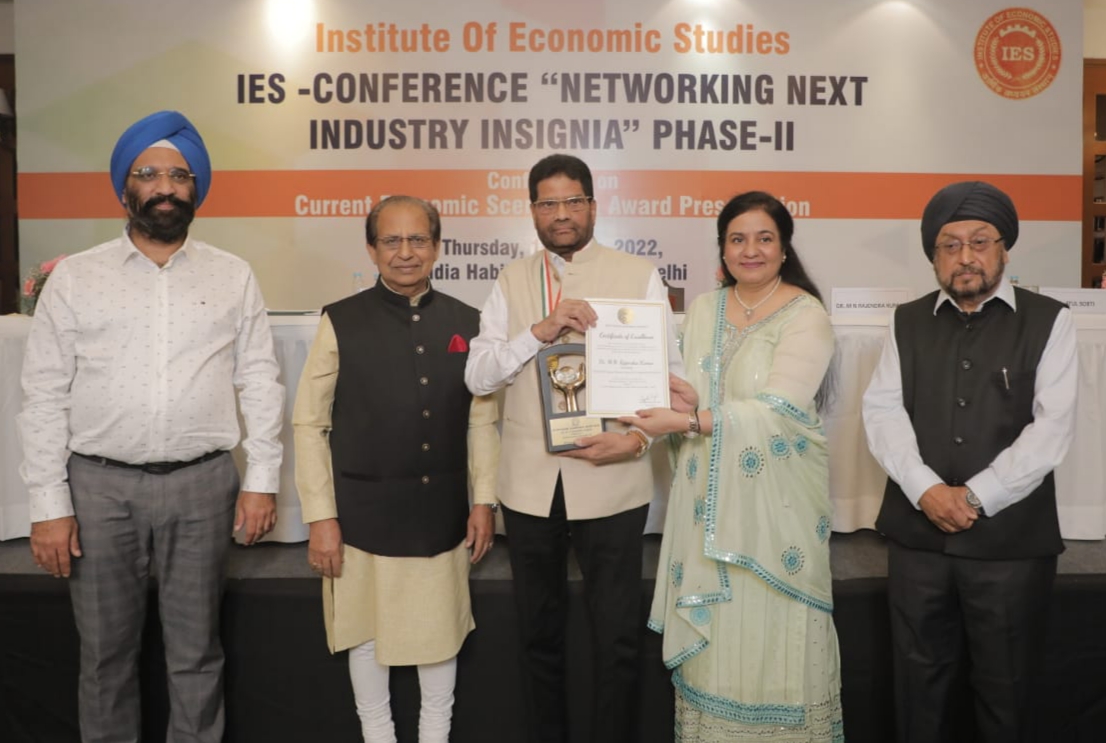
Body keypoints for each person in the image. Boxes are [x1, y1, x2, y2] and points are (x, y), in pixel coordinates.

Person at [18, 110, 284, 743]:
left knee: (196, 653)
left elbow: (260, 380)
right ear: (124, 187)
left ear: (196, 188)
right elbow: (43, 394)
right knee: (105, 659)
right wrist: (49, 506)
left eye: (179, 175)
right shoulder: (76, 277)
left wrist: (262, 480)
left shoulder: (232, 274)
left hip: (202, 488)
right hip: (99, 490)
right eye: (148, 173)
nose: (165, 187)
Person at [464, 154, 684, 743]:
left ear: (592, 205)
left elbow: (672, 379)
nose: (561, 214)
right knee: (538, 636)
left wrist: (636, 439)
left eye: (573, 201)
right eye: (548, 203)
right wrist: (538, 331)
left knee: (617, 638)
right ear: (532, 210)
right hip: (530, 486)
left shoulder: (638, 275)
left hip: (613, 482)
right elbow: (477, 377)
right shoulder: (512, 280)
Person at [862, 181, 1077, 743]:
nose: (965, 257)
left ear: (1004, 249)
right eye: (950, 245)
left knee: (1006, 690)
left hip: (1011, 544)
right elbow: (882, 411)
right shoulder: (905, 321)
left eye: (979, 242)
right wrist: (926, 490)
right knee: (918, 686)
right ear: (933, 255)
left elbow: (1052, 428)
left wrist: (977, 495)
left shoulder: (1050, 320)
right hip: (918, 540)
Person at [626, 191, 843, 741]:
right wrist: (684, 401)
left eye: (764, 238)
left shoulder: (807, 315)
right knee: (719, 646)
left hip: (778, 517)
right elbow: (703, 397)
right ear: (722, 249)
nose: (751, 250)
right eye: (737, 239)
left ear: (784, 247)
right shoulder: (704, 309)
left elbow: (780, 409)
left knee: (775, 643)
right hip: (708, 512)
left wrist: (689, 420)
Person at [292, 195, 499, 743]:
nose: (405, 252)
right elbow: (309, 424)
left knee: (439, 638)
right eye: (391, 240)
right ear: (371, 248)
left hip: (441, 515)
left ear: (437, 246)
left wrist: (484, 501)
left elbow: (482, 423)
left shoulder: (469, 321)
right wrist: (320, 517)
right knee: (366, 638)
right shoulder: (340, 320)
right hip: (360, 516)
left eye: (418, 240)